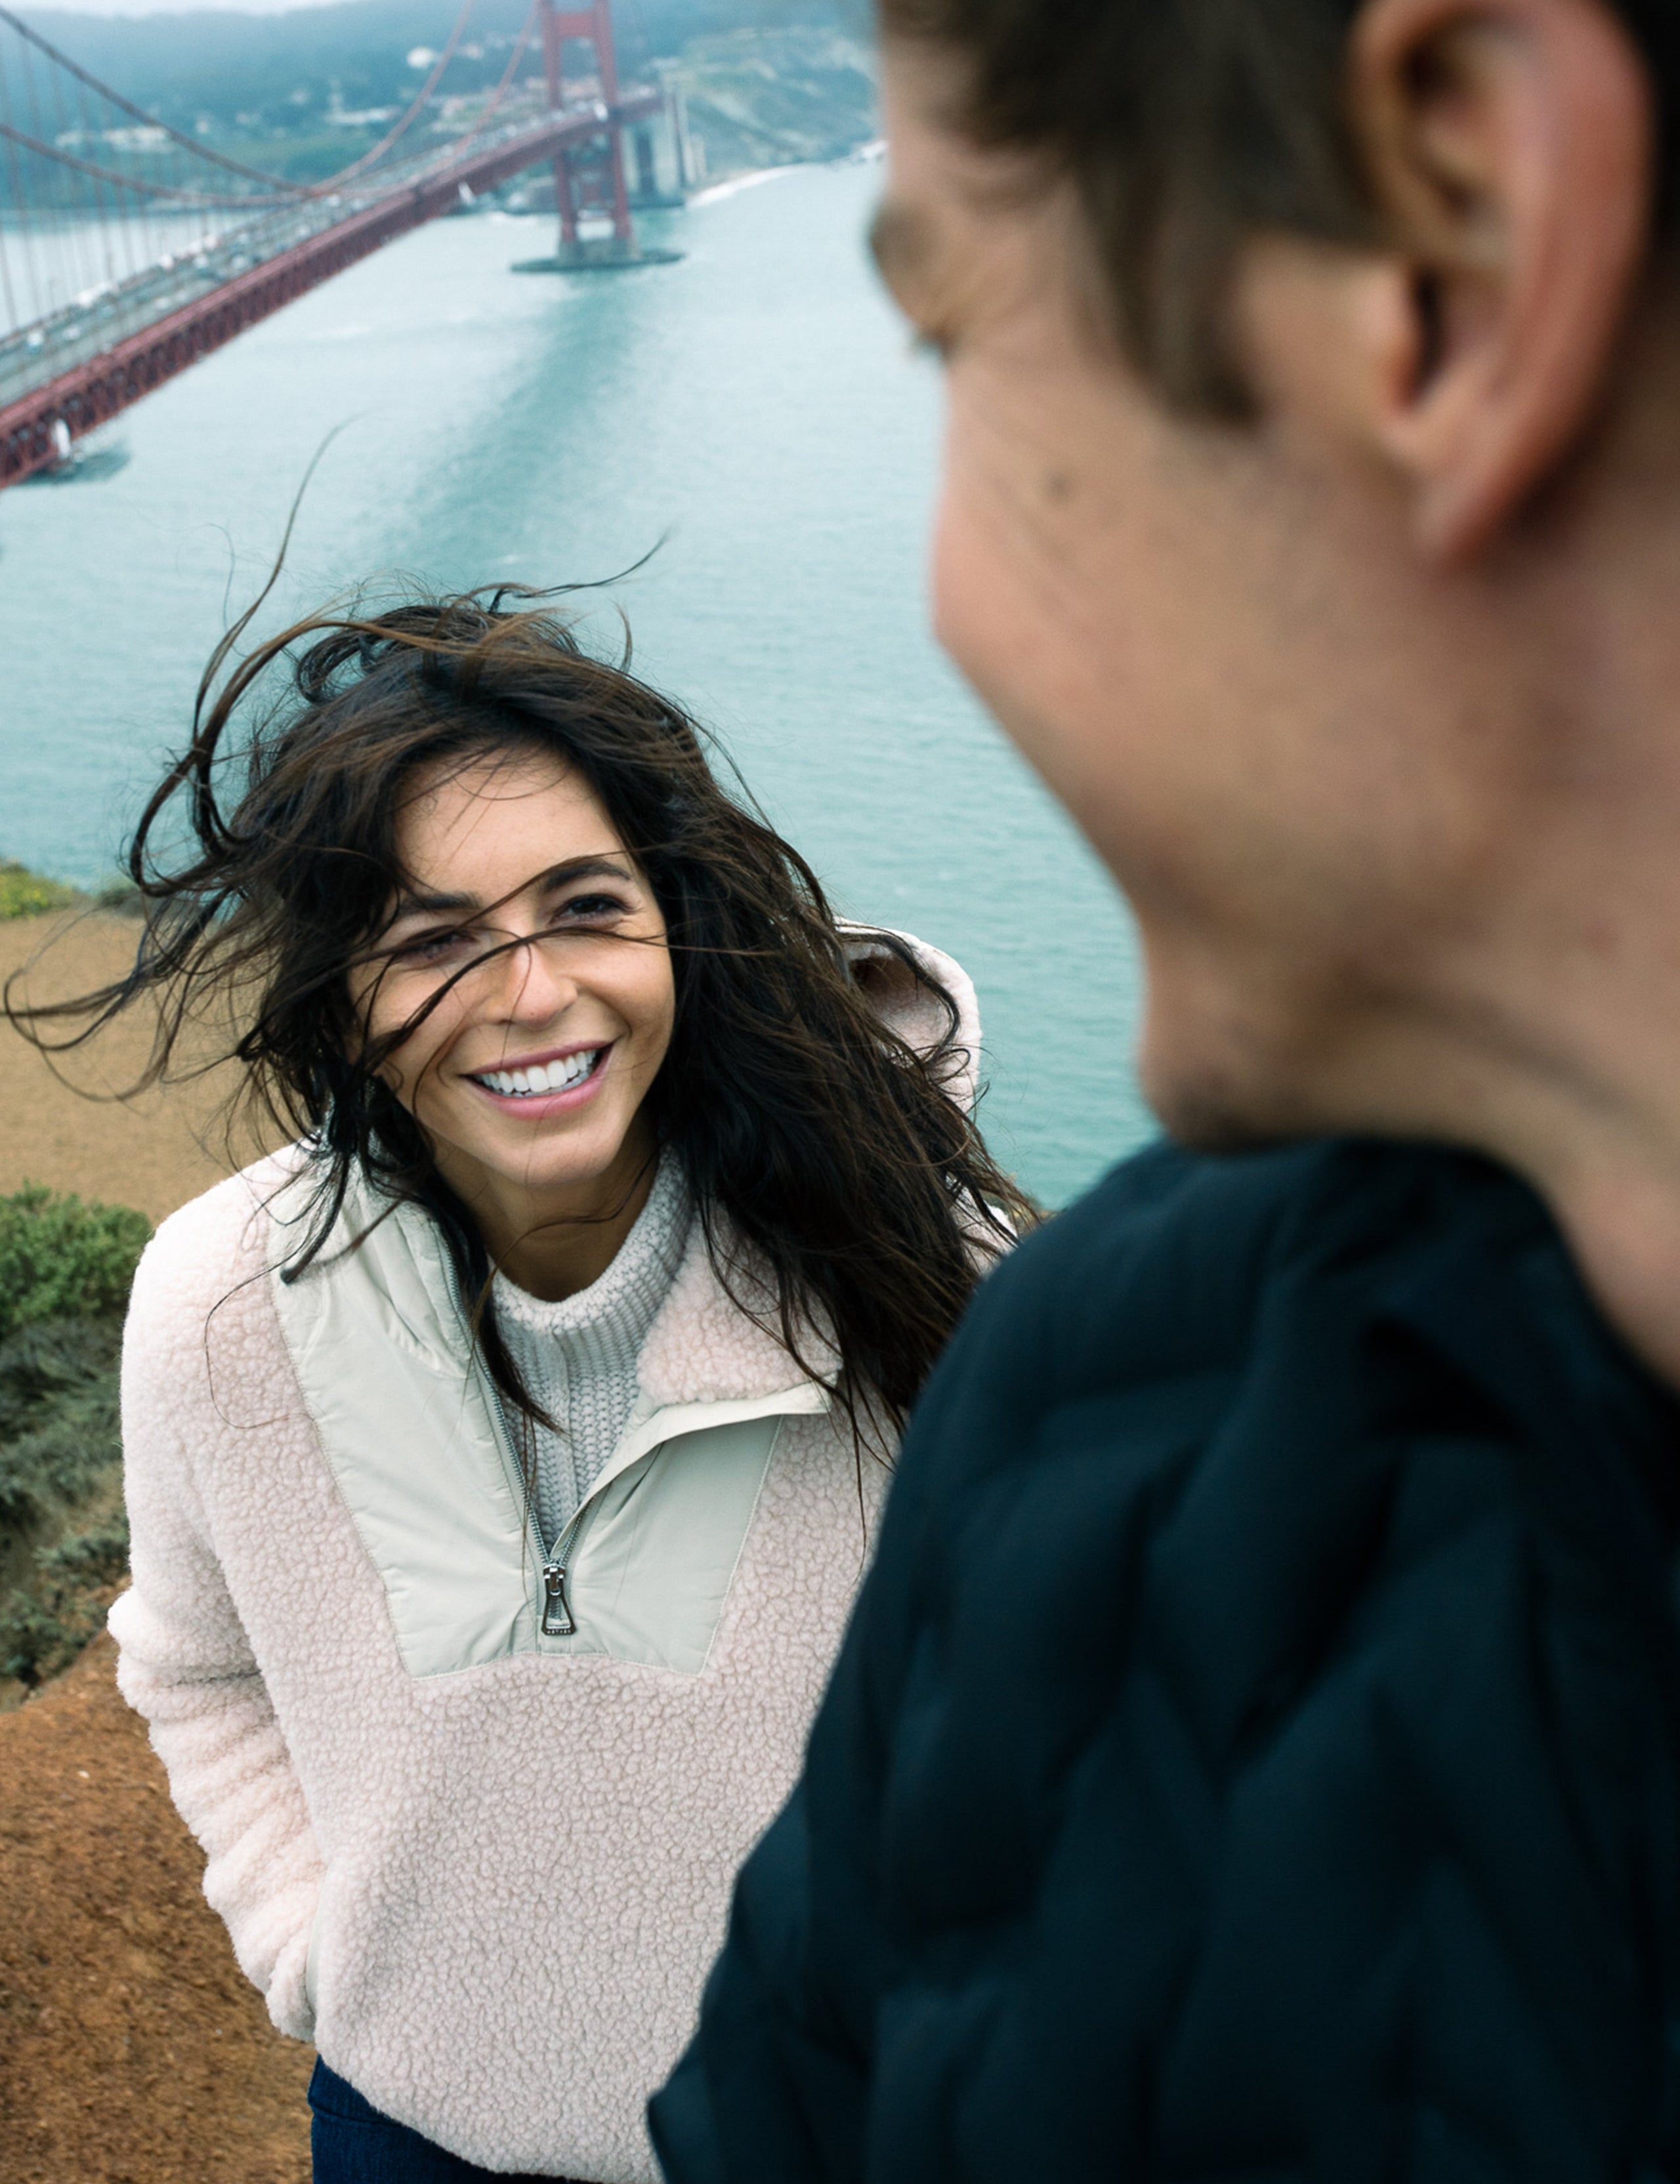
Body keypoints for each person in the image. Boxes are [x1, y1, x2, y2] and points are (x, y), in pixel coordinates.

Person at [650, 0, 1680, 2177]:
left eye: (955, 336)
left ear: (1454, 263)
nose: (940, 596)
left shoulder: (1094, 1403)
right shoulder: (1094, 1382)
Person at [28, 594, 1027, 2183]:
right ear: (339, 1001)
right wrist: (322, 1952)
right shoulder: (217, 1307)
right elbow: (197, 1666)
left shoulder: (924, 1279)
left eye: (582, 905)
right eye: (430, 939)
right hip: (406, 2137)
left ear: (675, 924)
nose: (532, 990)